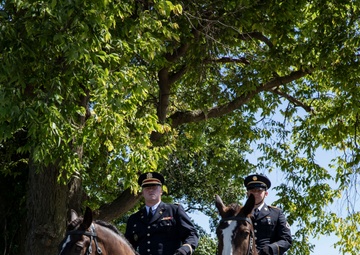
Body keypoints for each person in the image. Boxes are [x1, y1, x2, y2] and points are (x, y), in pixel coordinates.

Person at [125, 172, 199, 255]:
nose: (150, 189)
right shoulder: (134, 218)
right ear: (142, 192)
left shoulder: (174, 211)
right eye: (146, 187)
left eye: (154, 186)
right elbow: (127, 246)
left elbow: (191, 235)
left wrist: (184, 250)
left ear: (161, 191)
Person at [244, 174, 292, 255]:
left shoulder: (276, 213)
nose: (255, 193)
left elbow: (286, 240)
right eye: (252, 191)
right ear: (247, 193)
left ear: (266, 194)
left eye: (259, 191)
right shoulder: (240, 215)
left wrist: (270, 249)